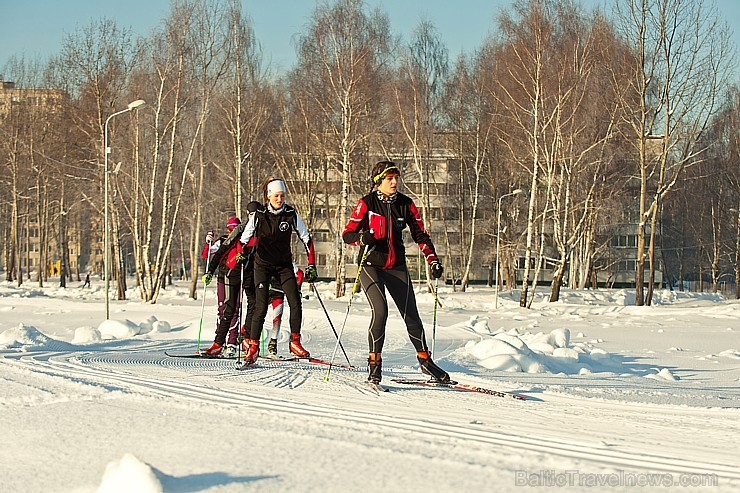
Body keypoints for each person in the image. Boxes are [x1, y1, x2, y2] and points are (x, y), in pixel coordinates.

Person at [342, 160, 452, 386]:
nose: (394, 182)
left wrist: (432, 260)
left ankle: (425, 360)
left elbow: (420, 234)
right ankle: (374, 364)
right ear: (378, 182)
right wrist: (362, 239)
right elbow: (347, 234)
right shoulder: (367, 204)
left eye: (396, 178)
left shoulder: (406, 204)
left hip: (396, 266)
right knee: (380, 311)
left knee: (411, 313)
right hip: (371, 265)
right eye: (389, 178)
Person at [237, 177, 317, 366]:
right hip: (262, 264)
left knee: (295, 301)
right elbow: (244, 239)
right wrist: (241, 253)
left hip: (283, 265)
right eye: (276, 196)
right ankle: (254, 346)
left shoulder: (290, 214)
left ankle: (295, 342)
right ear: (269, 196)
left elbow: (307, 239)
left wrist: (311, 264)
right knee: (261, 305)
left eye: (282, 196)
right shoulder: (259, 215)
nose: (280, 199)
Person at [204, 201, 262, 357]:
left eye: (258, 215)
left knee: (254, 305)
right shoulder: (241, 229)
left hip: (251, 273)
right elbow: (223, 249)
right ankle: (218, 343)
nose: (255, 218)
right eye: (252, 215)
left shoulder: (264, 231)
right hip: (233, 271)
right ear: (248, 215)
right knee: (229, 309)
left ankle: (246, 339)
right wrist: (210, 270)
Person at [200, 216, 244, 357]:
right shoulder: (222, 241)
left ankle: (232, 342)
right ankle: (219, 341)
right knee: (222, 309)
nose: (232, 232)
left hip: (239, 278)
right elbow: (206, 255)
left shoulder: (243, 240)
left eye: (235, 229)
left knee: (236, 309)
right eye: (230, 229)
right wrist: (208, 243)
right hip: (222, 278)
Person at [265, 264, 304, 357]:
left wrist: (297, 288)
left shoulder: (287, 262)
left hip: (278, 293)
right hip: (265, 291)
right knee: (257, 314)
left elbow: (300, 274)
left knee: (277, 318)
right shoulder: (266, 258)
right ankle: (245, 335)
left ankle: (272, 344)